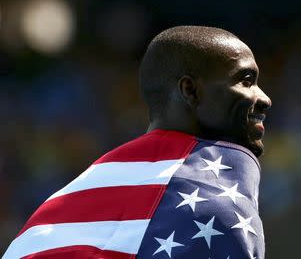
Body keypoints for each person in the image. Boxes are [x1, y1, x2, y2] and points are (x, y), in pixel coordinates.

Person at [3, 25, 272, 258]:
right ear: (190, 90)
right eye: (246, 81)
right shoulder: (214, 209)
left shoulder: (65, 203)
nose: (264, 99)